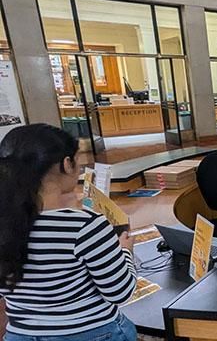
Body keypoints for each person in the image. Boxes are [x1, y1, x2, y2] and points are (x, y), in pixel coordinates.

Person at [0, 124, 137, 341]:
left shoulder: (6, 223)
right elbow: (121, 292)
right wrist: (125, 252)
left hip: (20, 335)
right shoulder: (86, 226)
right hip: (93, 334)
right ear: (66, 164)